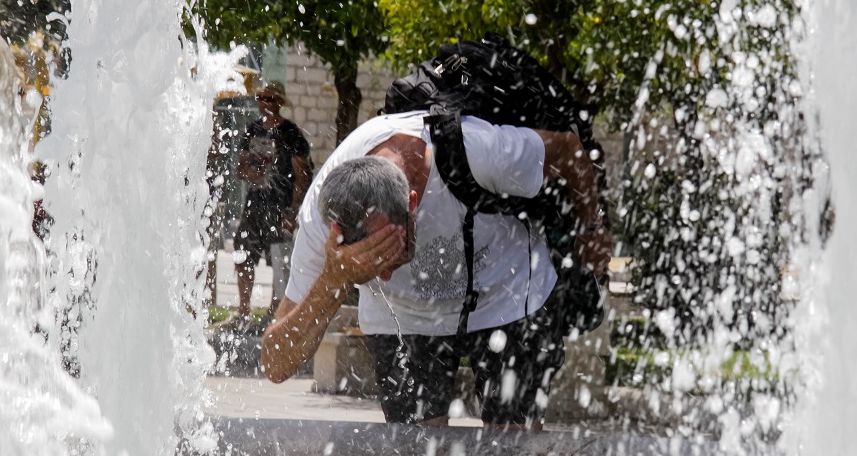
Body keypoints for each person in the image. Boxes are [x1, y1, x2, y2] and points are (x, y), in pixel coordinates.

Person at [261, 110, 611, 429]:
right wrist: (333, 279)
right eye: (367, 270)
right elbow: (276, 364)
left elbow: (569, 150)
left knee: (514, 453)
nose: (383, 275)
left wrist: (591, 231)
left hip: (507, 292)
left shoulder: (482, 151)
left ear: (412, 204)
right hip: (403, 318)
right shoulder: (321, 221)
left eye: (391, 257)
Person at [231, 77, 311, 320]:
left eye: (268, 98)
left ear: (278, 102)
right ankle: (243, 311)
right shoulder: (253, 130)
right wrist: (250, 171)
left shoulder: (291, 134)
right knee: (243, 252)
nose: (262, 103)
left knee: (279, 259)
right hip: (255, 203)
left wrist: (293, 210)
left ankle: (275, 311)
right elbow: (240, 168)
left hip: (280, 205)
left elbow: (302, 176)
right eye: (260, 98)